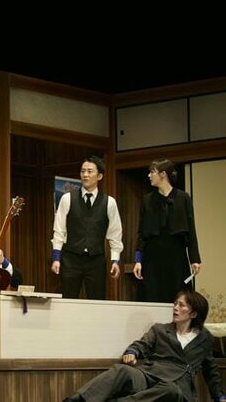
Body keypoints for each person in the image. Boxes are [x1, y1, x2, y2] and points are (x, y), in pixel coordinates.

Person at [64, 290, 225, 402]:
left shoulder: (204, 339)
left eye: (181, 305)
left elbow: (210, 370)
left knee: (171, 390)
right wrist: (132, 352)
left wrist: (220, 396)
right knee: (122, 370)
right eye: (175, 303)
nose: (175, 308)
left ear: (194, 313)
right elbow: (142, 344)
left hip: (177, 384)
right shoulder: (160, 329)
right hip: (150, 374)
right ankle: (77, 399)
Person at [51, 156, 123, 300]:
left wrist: (115, 260)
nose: (85, 175)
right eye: (83, 171)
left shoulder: (109, 202)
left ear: (99, 176)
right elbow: (59, 230)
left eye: (90, 171)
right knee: (68, 300)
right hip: (71, 258)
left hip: (96, 260)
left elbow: (115, 233)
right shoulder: (67, 198)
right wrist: (56, 258)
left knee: (97, 302)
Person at [133, 158, 202, 303]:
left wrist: (195, 259)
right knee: (152, 295)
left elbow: (191, 230)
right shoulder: (147, 200)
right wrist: (138, 260)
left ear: (163, 174)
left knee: (178, 295)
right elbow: (141, 233)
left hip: (177, 256)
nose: (149, 175)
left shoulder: (183, 198)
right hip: (153, 257)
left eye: (152, 172)